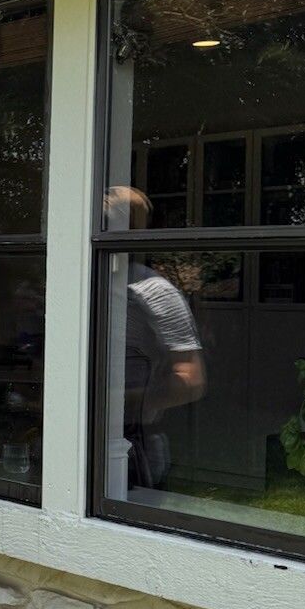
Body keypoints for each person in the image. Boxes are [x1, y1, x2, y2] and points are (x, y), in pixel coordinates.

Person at [106, 185, 207, 487]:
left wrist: (113, 400)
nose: (103, 199)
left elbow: (191, 381)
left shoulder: (154, 291)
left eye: (111, 203)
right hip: (76, 433)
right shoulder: (85, 282)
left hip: (134, 442)